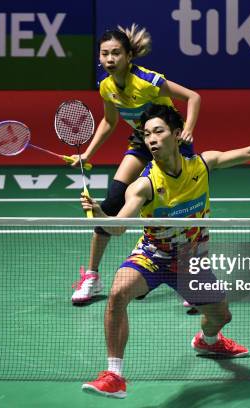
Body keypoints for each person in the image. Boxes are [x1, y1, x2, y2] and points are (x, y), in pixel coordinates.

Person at [79, 104, 250, 398]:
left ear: (177, 134)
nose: (152, 140)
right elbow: (120, 227)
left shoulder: (202, 165)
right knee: (119, 293)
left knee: (221, 317)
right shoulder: (143, 185)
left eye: (158, 131)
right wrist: (101, 216)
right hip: (152, 257)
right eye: (146, 135)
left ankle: (209, 341)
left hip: (191, 262)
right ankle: (114, 374)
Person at [70, 24, 201, 304]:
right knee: (111, 202)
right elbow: (109, 121)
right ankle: (92, 275)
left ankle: (190, 275)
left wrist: (187, 129)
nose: (109, 59)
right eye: (105, 54)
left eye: (116, 53)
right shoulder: (106, 87)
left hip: (170, 143)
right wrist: (88, 154)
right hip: (142, 143)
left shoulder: (148, 81)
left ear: (129, 56)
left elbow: (193, 96)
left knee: (182, 208)